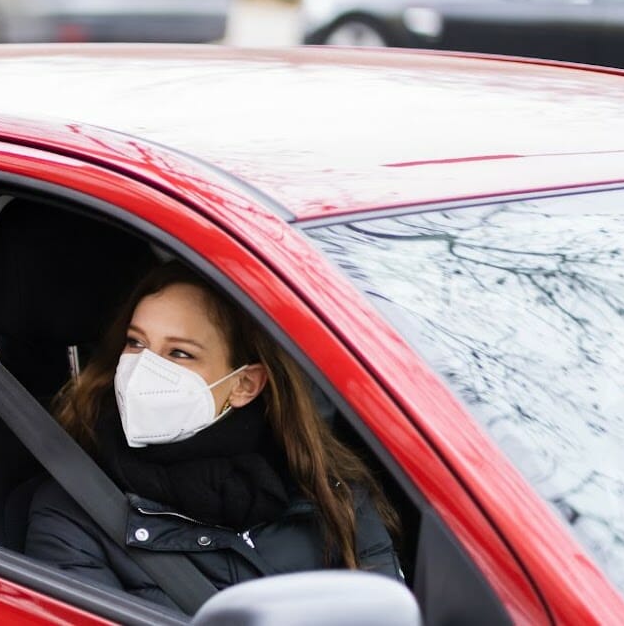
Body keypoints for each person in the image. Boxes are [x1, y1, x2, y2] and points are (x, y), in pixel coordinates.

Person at [25, 259, 401, 610]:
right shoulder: (76, 508)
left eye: (180, 354)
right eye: (136, 343)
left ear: (244, 384)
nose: (143, 370)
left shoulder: (327, 489)